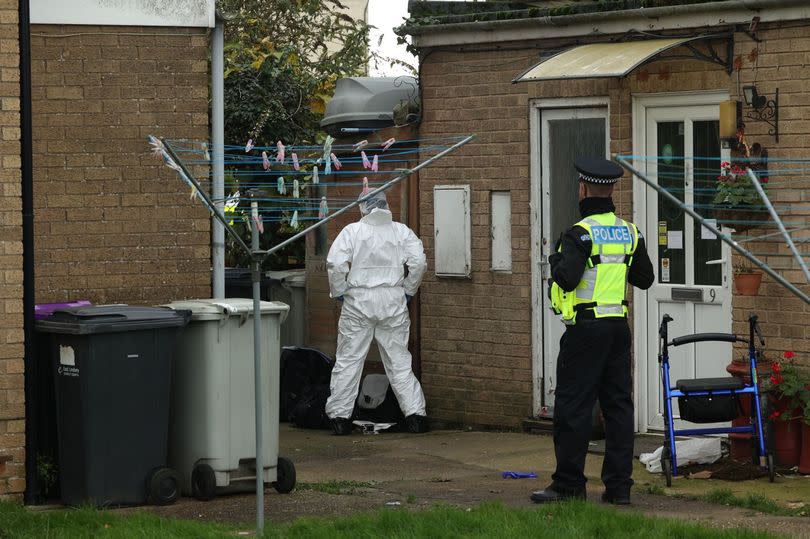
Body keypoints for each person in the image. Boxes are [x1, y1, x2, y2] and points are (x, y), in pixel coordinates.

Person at [531, 157, 654, 506]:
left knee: (573, 406)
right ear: (612, 191)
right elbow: (644, 279)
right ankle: (619, 488)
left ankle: (569, 485)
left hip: (586, 330)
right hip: (618, 328)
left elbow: (567, 278)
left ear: (583, 191)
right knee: (618, 407)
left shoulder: (578, 235)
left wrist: (555, 261)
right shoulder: (631, 232)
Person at [325, 189, 429, 435]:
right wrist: (408, 290)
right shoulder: (400, 231)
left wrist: (339, 291)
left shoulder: (352, 231)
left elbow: (335, 264)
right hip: (393, 300)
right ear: (386, 204)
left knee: (349, 360)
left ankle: (340, 417)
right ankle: (416, 415)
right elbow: (419, 263)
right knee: (399, 361)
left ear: (362, 207)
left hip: (358, 300)